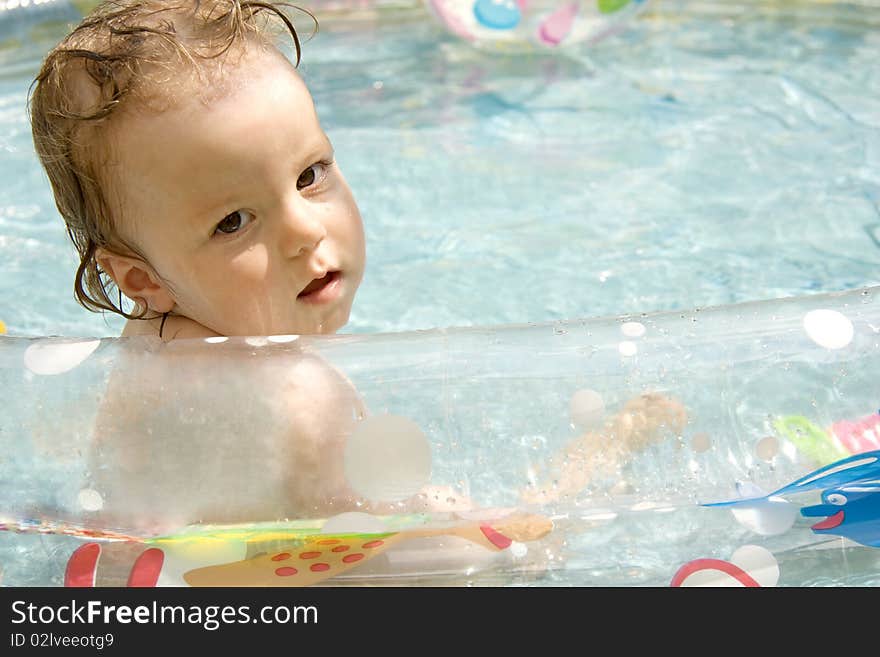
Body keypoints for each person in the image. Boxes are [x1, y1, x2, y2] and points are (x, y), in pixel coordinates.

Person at [29, 0, 685, 535]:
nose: (303, 231)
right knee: (541, 521)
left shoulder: (148, 343)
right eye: (233, 221)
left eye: (309, 175)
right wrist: (576, 486)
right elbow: (446, 555)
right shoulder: (301, 396)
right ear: (141, 279)